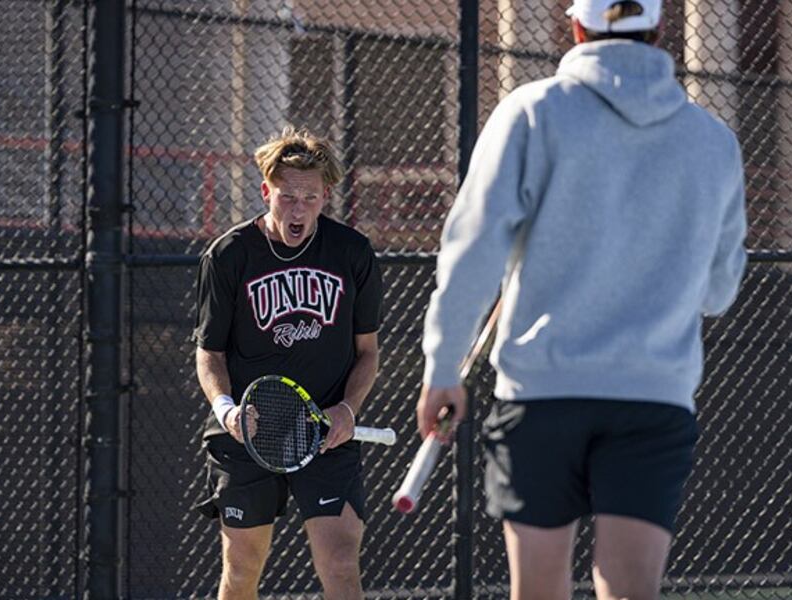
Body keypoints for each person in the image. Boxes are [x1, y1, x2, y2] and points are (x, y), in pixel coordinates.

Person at [418, 1, 747, 598]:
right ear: (660, 28)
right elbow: (719, 292)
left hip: (543, 396)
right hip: (653, 397)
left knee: (538, 590)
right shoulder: (714, 142)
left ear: (576, 26)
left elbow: (471, 254)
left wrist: (442, 369)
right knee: (629, 590)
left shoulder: (530, 113)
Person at [193, 127, 384, 600]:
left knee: (340, 563)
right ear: (265, 192)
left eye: (309, 197)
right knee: (241, 569)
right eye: (286, 197)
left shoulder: (352, 252)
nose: (298, 209)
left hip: (326, 434)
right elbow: (209, 353)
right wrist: (228, 410)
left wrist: (347, 410)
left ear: (325, 196)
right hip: (249, 433)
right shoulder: (229, 255)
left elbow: (368, 353)